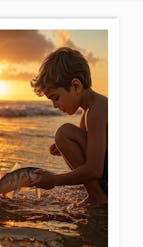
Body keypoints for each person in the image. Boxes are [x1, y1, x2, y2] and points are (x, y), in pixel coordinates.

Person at [30, 47, 108, 204]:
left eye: (56, 98)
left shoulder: (98, 109)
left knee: (64, 132)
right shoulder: (89, 111)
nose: (54, 105)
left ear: (76, 86)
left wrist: (54, 180)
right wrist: (66, 147)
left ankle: (98, 198)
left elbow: (94, 169)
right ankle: (96, 194)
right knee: (65, 137)